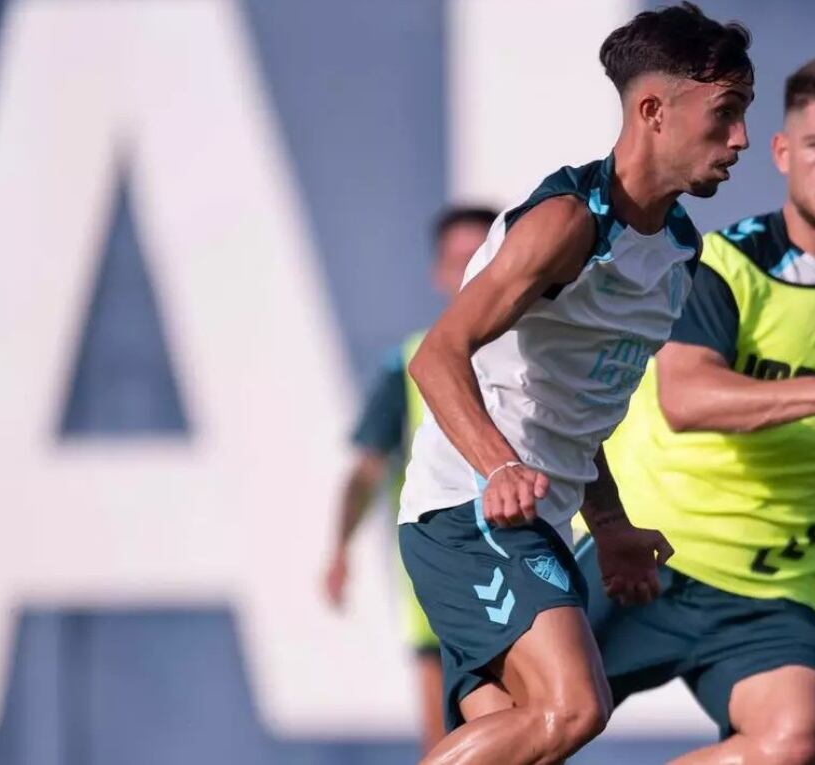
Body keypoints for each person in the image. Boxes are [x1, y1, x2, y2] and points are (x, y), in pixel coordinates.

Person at [395, 4, 755, 763]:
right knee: (575, 708)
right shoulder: (567, 221)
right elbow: (437, 354)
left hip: (541, 521)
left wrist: (613, 525)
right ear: (653, 110)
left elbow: (574, 415)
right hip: (469, 509)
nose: (741, 140)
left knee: (535, 736)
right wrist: (497, 466)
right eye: (725, 114)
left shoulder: (679, 251)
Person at [585, 56, 815, 764]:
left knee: (795, 733)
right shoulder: (725, 265)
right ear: (783, 152)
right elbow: (686, 398)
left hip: (764, 589)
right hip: (638, 553)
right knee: (525, 721)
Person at [321, 206, 496, 754]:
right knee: (449, 740)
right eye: (457, 260)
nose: (469, 273)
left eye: (481, 258)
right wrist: (340, 549)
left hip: (533, 573)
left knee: (542, 729)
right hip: (441, 588)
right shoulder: (408, 363)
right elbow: (367, 467)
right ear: (439, 274)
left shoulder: (540, 350)